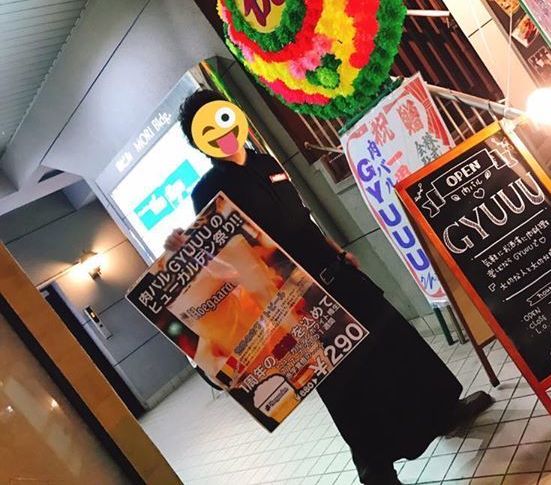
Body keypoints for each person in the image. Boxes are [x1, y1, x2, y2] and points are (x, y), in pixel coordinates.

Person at [165, 89, 493, 485]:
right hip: (295, 300)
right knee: (343, 380)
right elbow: (217, 256)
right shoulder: (207, 191)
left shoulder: (267, 162)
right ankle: (375, 468)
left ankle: (442, 412)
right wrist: (181, 247)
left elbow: (302, 217)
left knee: (396, 341)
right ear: (200, 143)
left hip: (335, 271)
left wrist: (338, 251)